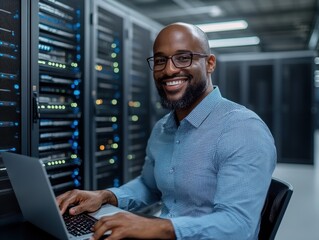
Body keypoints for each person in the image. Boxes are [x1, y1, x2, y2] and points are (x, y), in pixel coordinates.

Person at [57, 22, 276, 240]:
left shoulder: (243, 129)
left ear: (209, 64)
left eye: (183, 58)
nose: (169, 70)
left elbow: (238, 226)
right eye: (161, 60)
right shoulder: (163, 129)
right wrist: (106, 196)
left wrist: (160, 228)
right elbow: (148, 185)